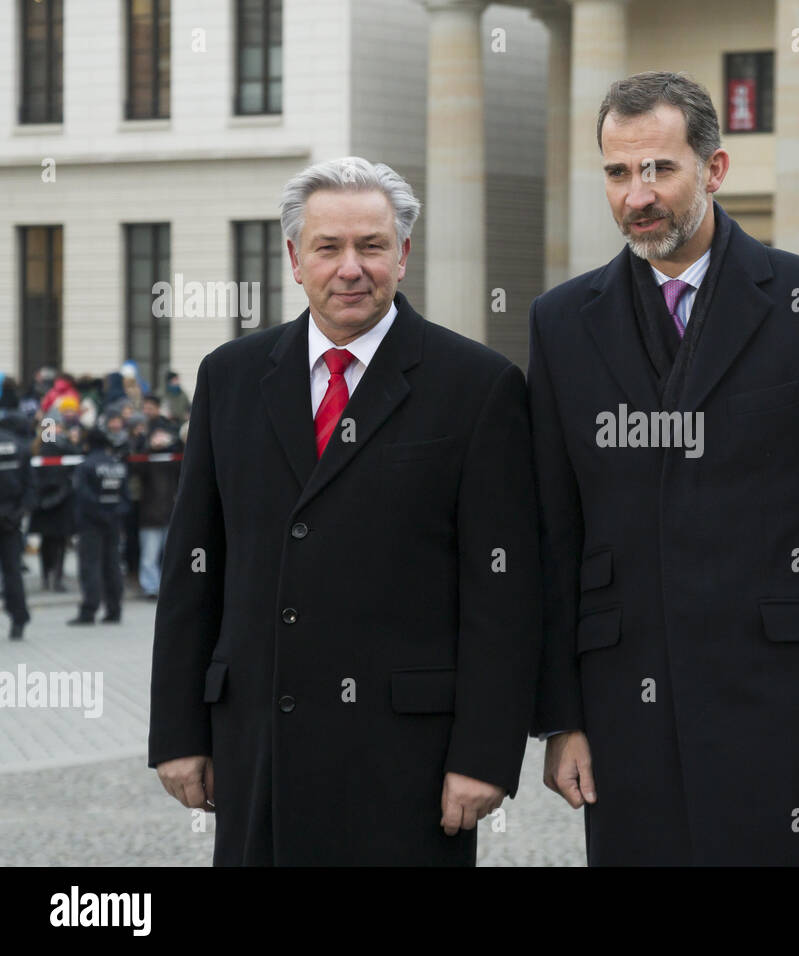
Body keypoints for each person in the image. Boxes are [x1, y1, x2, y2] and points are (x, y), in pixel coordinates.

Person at [529, 73, 799, 865]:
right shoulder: (559, 323)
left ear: (715, 169)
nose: (638, 195)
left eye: (660, 169)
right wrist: (563, 718)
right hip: (627, 709)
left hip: (788, 706)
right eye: (618, 173)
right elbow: (554, 533)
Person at [147, 156, 543, 866]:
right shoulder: (230, 378)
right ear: (296, 259)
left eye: (372, 246)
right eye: (329, 248)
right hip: (258, 745)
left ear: (404, 254)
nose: (351, 268)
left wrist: (485, 754)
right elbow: (192, 571)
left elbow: (502, 596)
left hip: (405, 762)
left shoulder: (479, 387)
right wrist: (178, 732)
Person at [68, 426, 127, 626]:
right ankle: (114, 609)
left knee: (90, 566)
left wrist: (100, 514)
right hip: (114, 522)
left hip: (91, 524)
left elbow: (84, 497)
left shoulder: (85, 466)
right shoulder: (118, 465)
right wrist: (113, 514)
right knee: (113, 565)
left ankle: (89, 611)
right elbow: (125, 498)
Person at [134, 397, 183, 600]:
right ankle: (150, 587)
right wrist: (149, 449)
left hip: (169, 510)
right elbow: (137, 469)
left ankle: (165, 586)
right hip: (150, 512)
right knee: (149, 554)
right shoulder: (146, 455)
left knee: (167, 553)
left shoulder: (174, 457)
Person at [30, 412, 78, 593]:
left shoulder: (62, 444)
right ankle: (47, 576)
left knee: (59, 542)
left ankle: (55, 577)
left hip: (61, 500)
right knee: (48, 542)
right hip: (46, 500)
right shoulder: (43, 446)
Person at [0, 404, 35, 639]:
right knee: (13, 572)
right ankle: (18, 619)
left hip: (9, 516)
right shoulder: (22, 448)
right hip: (12, 519)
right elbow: (31, 488)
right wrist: (18, 513)